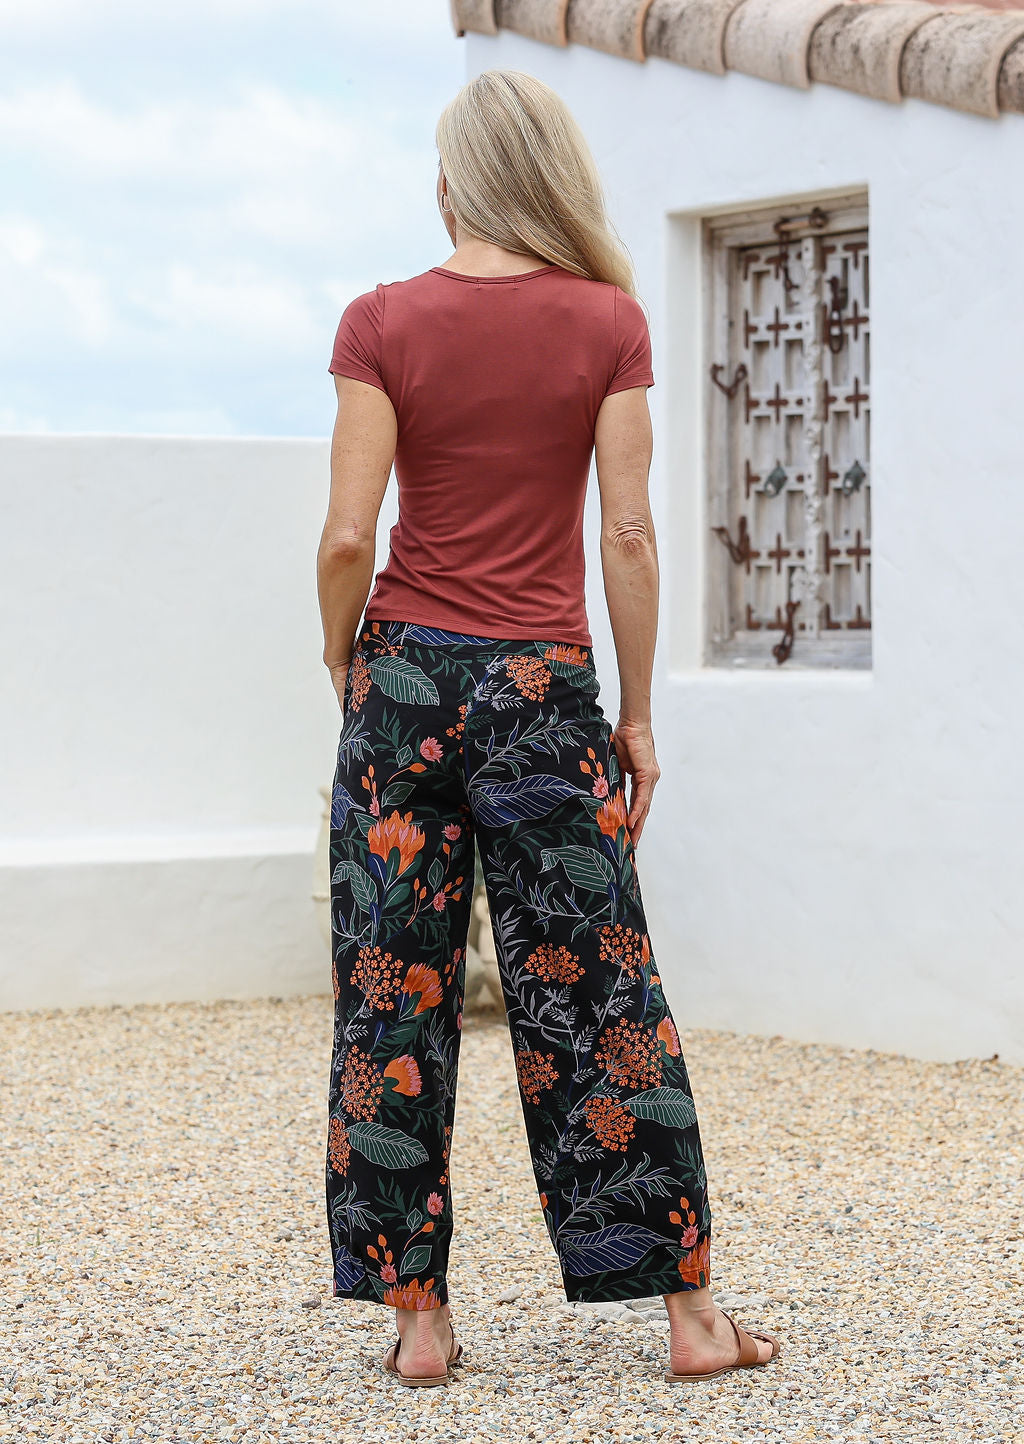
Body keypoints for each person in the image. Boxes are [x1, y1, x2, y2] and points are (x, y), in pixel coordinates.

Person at [316, 67, 780, 1389]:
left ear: (454, 180)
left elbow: (350, 535)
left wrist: (340, 663)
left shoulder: (380, 320)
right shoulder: (608, 322)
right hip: (539, 691)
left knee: (391, 989)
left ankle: (420, 1323)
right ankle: (690, 1321)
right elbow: (627, 532)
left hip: (402, 682)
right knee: (597, 991)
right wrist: (635, 712)